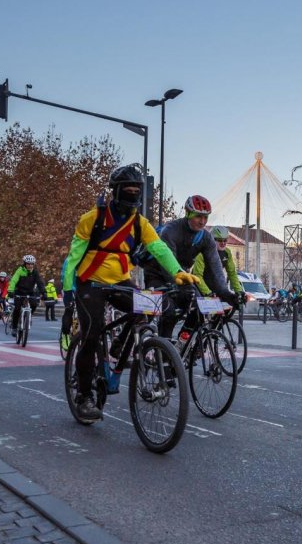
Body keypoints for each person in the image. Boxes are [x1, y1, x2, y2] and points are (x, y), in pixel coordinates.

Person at [63, 165, 200, 423]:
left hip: (120, 281)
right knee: (91, 335)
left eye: (137, 190)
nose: (132, 194)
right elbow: (73, 258)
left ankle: (117, 349)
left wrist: (177, 272)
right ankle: (83, 397)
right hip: (89, 283)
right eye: (127, 189)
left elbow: (158, 248)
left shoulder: (139, 222)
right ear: (114, 191)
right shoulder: (92, 218)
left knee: (145, 310)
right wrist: (69, 291)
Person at [141, 194, 239, 343]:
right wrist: (178, 286)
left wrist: (227, 294)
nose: (203, 221)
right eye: (198, 216)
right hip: (157, 273)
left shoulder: (206, 238)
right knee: (169, 311)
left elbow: (216, 269)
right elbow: (167, 266)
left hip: (183, 277)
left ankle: (181, 343)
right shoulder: (170, 230)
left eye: (206, 217)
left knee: (201, 307)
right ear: (187, 213)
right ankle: (162, 353)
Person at [192, 225, 246, 303]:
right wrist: (207, 293)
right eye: (220, 240)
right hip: (200, 286)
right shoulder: (202, 252)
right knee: (199, 312)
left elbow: (232, 273)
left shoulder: (227, 253)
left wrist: (239, 290)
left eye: (225, 240)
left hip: (216, 286)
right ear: (212, 240)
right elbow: (197, 275)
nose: (223, 243)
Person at [7, 255, 45, 335]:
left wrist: (44, 292)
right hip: (19, 292)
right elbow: (13, 280)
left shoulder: (35, 272)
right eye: (28, 264)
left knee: (34, 304)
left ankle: (28, 316)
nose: (30, 266)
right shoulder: (20, 270)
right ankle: (14, 327)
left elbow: (40, 282)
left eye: (32, 264)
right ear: (25, 264)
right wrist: (10, 290)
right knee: (17, 308)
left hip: (30, 292)